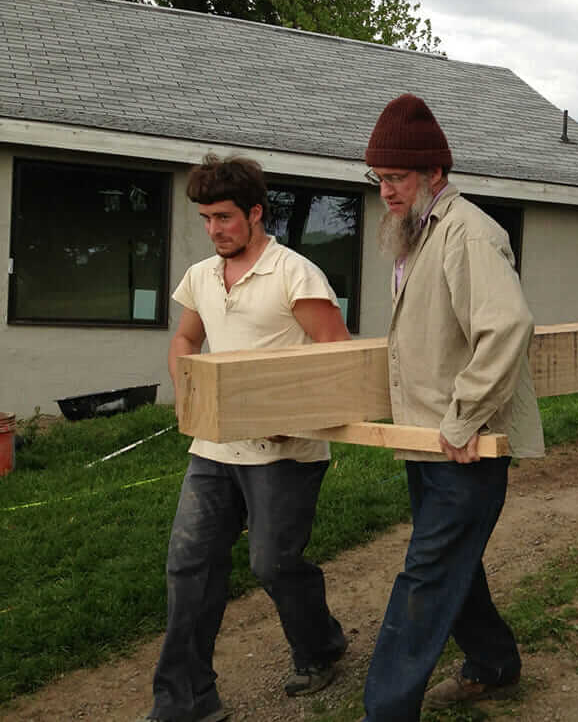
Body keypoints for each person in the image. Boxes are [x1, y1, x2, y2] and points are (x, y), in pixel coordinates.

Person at [142, 155, 351, 722]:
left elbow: (340, 356)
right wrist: (190, 390)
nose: (215, 230)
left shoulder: (295, 275)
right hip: (213, 447)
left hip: (286, 450)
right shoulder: (201, 277)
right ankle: (185, 702)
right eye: (207, 219)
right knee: (189, 565)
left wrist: (297, 413)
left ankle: (320, 646)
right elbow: (185, 340)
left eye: (225, 218)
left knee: (273, 565)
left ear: (257, 213)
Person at [359, 94, 544, 721]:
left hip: (466, 447)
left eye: (396, 178)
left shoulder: (469, 233)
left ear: (435, 173)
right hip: (429, 440)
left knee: (426, 577)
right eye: (379, 179)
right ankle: (493, 662)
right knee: (449, 562)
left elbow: (509, 325)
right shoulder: (420, 232)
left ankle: (384, 711)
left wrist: (463, 416)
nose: (385, 191)